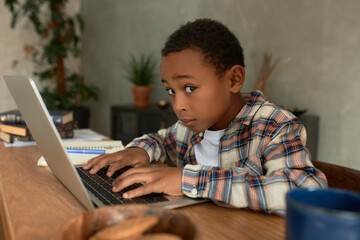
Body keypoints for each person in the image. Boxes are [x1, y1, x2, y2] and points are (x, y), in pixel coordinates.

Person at [84, 18, 327, 215]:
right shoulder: (189, 127)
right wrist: (140, 150)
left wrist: (188, 180)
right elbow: (160, 141)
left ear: (233, 80)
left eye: (189, 88)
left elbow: (305, 193)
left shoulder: (275, 126)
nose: (178, 105)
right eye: (170, 90)